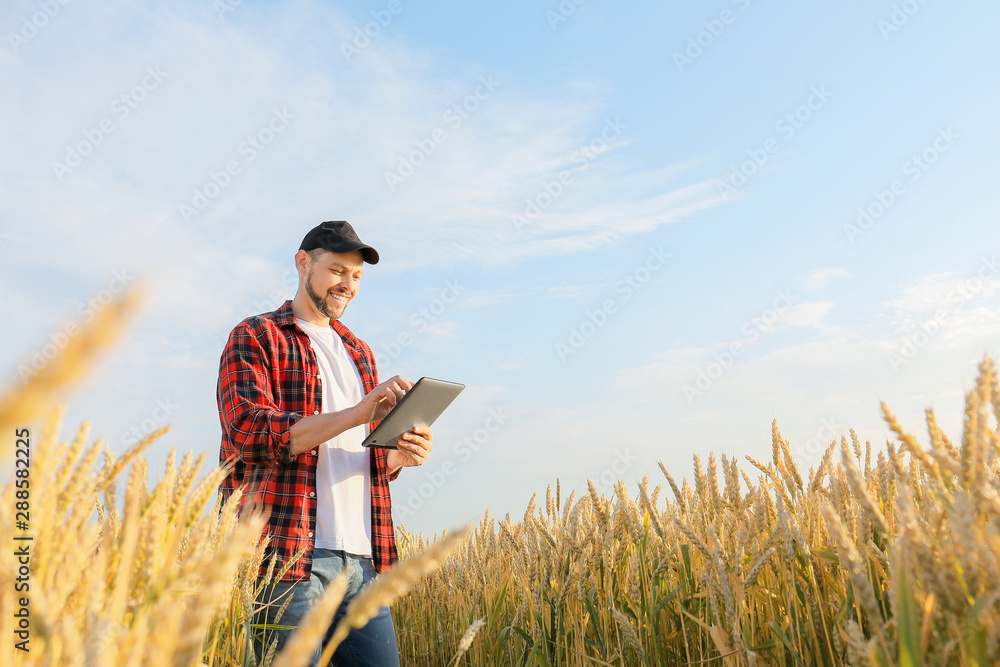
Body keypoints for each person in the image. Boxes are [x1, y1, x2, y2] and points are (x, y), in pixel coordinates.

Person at [216, 220, 433, 666]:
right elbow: (249, 432)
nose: (347, 285)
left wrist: (397, 457)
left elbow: (358, 451)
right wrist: (358, 412)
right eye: (337, 271)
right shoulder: (256, 335)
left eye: (356, 277)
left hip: (364, 559)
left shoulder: (359, 352)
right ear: (303, 263)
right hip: (286, 556)